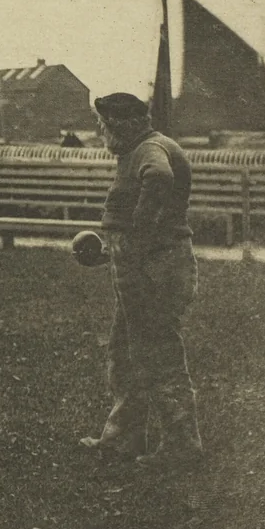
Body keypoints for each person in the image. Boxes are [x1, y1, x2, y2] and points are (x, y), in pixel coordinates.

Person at [79, 92, 202, 470]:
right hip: (142, 267)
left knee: (155, 354)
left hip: (156, 271)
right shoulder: (139, 149)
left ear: (118, 125)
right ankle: (123, 439)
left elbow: (159, 178)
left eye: (103, 125)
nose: (101, 132)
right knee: (124, 350)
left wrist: (137, 236)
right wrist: (113, 250)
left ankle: (182, 446)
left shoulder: (150, 149)